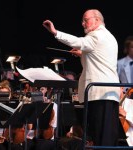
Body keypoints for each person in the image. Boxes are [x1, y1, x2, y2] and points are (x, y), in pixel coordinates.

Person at [43, 9, 120, 146]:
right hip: (108, 93)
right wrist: (83, 54)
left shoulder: (97, 36)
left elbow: (78, 41)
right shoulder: (108, 36)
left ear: (97, 20)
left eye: (86, 20)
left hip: (99, 94)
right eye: (82, 21)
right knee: (106, 136)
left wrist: (56, 33)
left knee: (101, 137)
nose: (83, 24)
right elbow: (100, 58)